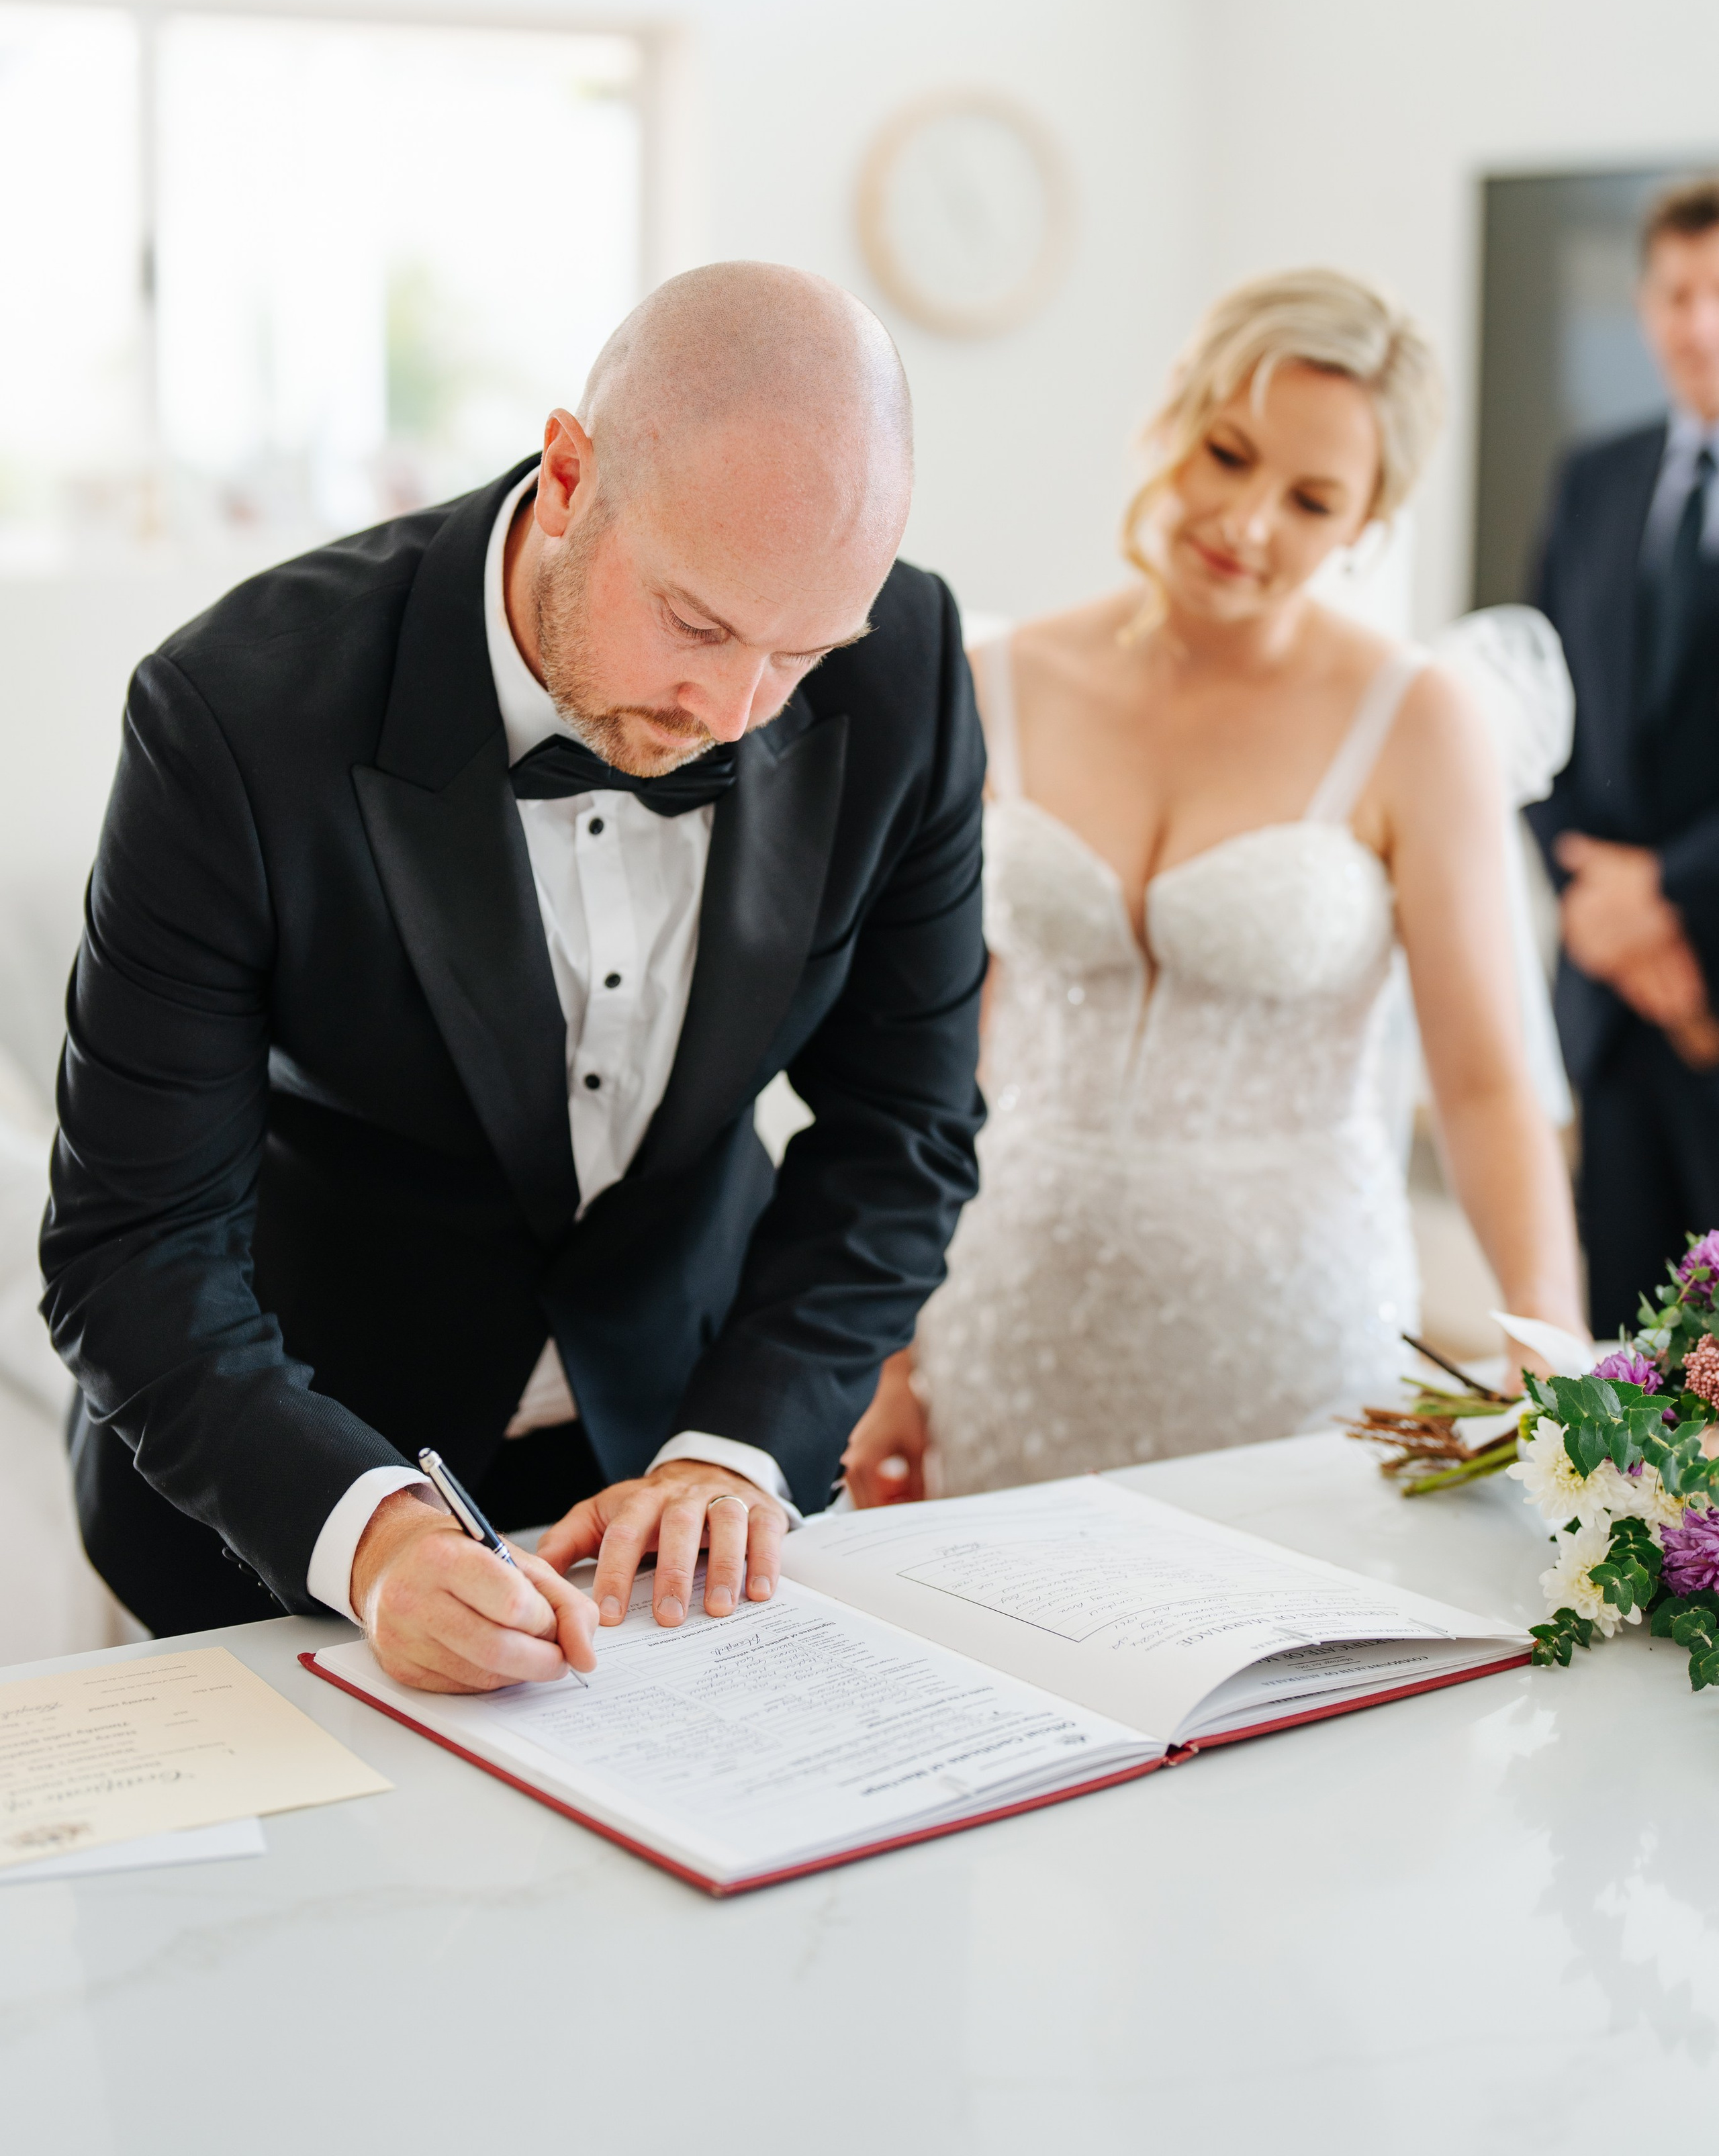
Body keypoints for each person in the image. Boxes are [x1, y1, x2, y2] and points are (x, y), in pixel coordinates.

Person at [42, 262, 986, 1691]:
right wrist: (373, 1540)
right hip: (281, 1509)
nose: (733, 717)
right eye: (696, 624)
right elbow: (133, 1248)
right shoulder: (232, 714)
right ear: (567, 476)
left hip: (671, 1511)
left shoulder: (906, 665)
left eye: (801, 654)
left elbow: (898, 1134)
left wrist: (735, 1452)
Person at [844, 268, 1586, 1502]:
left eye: (1311, 499)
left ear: (1367, 523)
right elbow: (924, 1061)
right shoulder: (995, 681)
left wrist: (1545, 1333)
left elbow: (1485, 1078)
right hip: (1010, 1314)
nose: (1247, 523)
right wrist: (886, 1353)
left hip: (1295, 1343)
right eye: (1228, 454)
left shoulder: (1417, 722)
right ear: (1173, 420)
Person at [1528, 179, 1719, 1336]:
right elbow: (1535, 702)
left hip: (1712, 977)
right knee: (1624, 1346)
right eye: (1677, 292)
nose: (1699, 323)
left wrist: (1675, 898)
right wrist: (1596, 900)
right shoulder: (1595, 475)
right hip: (1610, 994)